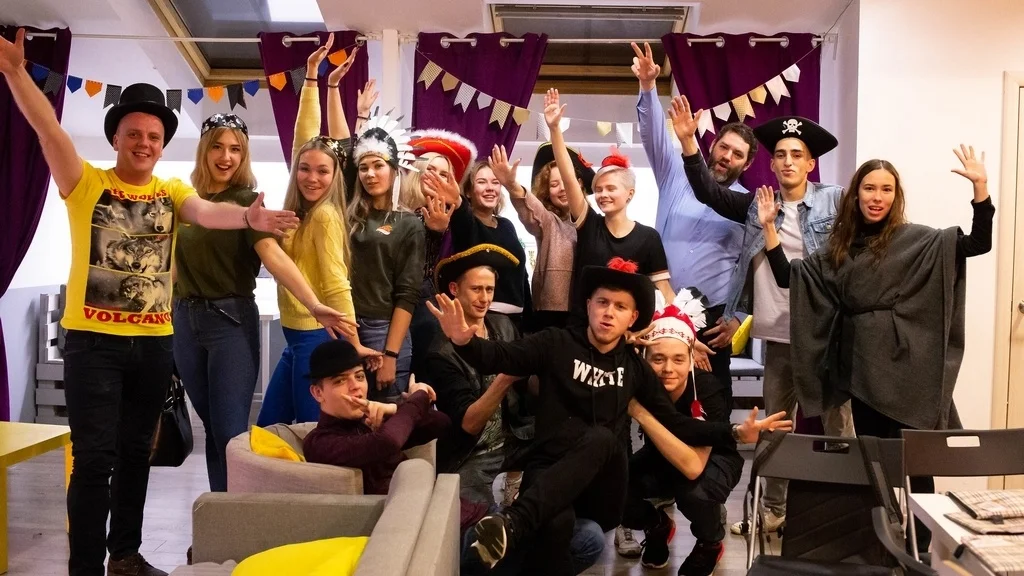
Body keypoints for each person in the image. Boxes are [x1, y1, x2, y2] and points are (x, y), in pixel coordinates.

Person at [0, 29, 299, 576]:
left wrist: (248, 217)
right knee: (94, 460)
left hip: (155, 344)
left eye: (154, 136)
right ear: (116, 138)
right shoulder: (85, 183)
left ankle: (125, 556)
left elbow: (207, 212)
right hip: (93, 344)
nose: (144, 142)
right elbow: (48, 130)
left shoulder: (171, 192)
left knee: (138, 454)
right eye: (134, 133)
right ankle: (85, 566)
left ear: (163, 145)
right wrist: (18, 74)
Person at [428, 257, 791, 574]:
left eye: (620, 306)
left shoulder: (635, 368)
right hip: (548, 469)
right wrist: (464, 342)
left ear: (632, 317)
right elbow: (500, 357)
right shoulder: (554, 343)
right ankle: (517, 534)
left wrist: (733, 432)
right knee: (554, 525)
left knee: (601, 437)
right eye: (602, 302)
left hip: (603, 485)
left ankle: (513, 522)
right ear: (588, 305)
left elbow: (677, 423)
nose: (608, 312)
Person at [759, 149, 994, 552]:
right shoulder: (839, 248)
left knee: (916, 460)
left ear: (895, 196)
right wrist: (769, 228)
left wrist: (981, 188)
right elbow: (789, 277)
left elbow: (978, 243)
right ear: (856, 194)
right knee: (873, 460)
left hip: (909, 367)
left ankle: (921, 546)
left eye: (886, 189)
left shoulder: (916, 240)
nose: (877, 197)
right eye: (869, 188)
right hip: (862, 367)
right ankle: (881, 543)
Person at [671, 98, 855, 534]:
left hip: (825, 337)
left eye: (797, 154)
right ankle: (772, 511)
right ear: (771, 165)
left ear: (810, 163)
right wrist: (689, 144)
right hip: (778, 337)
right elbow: (709, 192)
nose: (788, 161)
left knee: (839, 430)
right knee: (774, 428)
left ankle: (848, 516)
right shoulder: (757, 206)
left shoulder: (833, 201)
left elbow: (868, 235)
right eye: (781, 155)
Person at [174, 111, 354, 491]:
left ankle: (238, 513)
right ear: (204, 150)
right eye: (218, 147)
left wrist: (314, 304)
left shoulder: (247, 203)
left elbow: (274, 257)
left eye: (236, 149)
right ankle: (220, 511)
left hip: (230, 322)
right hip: (184, 322)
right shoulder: (187, 202)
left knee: (230, 433)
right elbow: (172, 269)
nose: (226, 157)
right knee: (212, 429)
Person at [423, 244, 604, 575]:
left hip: (518, 441)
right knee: (475, 548)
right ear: (454, 289)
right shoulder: (440, 352)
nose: (484, 298)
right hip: (470, 458)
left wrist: (555, 374)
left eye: (489, 289)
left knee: (590, 538)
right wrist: (505, 377)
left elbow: (529, 387)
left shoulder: (504, 327)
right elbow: (469, 423)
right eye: (476, 289)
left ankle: (526, 553)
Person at [257, 39, 378, 426]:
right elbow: (303, 137)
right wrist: (312, 77)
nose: (311, 177)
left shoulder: (325, 216)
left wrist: (353, 344)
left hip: (313, 337)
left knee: (311, 433)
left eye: (323, 171)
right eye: (305, 169)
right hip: (295, 336)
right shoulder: (298, 209)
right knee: (270, 429)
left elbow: (337, 284)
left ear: (335, 176)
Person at [632, 41, 756, 404]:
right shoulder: (676, 174)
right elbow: (653, 136)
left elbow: (753, 269)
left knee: (711, 407)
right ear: (712, 145)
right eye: (723, 147)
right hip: (660, 309)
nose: (727, 157)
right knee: (657, 403)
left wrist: (739, 317)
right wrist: (648, 86)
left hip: (712, 321)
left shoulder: (749, 207)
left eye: (737, 154)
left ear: (747, 164)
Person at [622, 289, 744, 575]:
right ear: (644, 359)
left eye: (678, 359)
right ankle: (656, 526)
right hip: (660, 455)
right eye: (658, 359)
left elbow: (693, 467)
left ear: (691, 359)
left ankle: (709, 543)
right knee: (612, 487)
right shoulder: (640, 382)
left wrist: (638, 412)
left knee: (695, 493)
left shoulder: (707, 389)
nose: (668, 368)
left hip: (713, 460)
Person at [543, 89, 675, 320]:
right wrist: (554, 129)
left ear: (630, 194)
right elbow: (568, 177)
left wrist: (681, 326)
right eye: (598, 189)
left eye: (611, 188)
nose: (603, 194)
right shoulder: (590, 225)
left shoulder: (648, 238)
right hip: (582, 328)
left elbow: (664, 292)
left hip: (627, 333)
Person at [345, 112, 426, 400]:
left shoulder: (409, 224)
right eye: (363, 167)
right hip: (347, 326)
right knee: (349, 414)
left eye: (378, 165)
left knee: (386, 415)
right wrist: (359, 115)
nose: (370, 174)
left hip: (384, 330)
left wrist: (391, 354)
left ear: (393, 170)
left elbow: (408, 293)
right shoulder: (350, 217)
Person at [488, 141, 595, 333]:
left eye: (567, 181)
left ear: (578, 183)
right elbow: (533, 212)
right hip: (552, 313)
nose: (562, 188)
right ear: (547, 191)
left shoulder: (594, 224)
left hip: (589, 308)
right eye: (554, 184)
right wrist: (512, 185)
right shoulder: (549, 221)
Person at [402, 130, 477, 379]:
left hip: (428, 306)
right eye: (431, 169)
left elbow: (468, 249)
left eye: (444, 174)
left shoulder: (456, 219)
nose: (436, 177)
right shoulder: (397, 209)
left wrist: (452, 212)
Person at [449, 161, 532, 330]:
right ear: (468, 191)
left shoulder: (507, 225)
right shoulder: (467, 223)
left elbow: (521, 276)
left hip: (517, 322)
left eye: (495, 182)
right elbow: (461, 211)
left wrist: (531, 322)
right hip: (484, 320)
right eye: (481, 182)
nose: (490, 188)